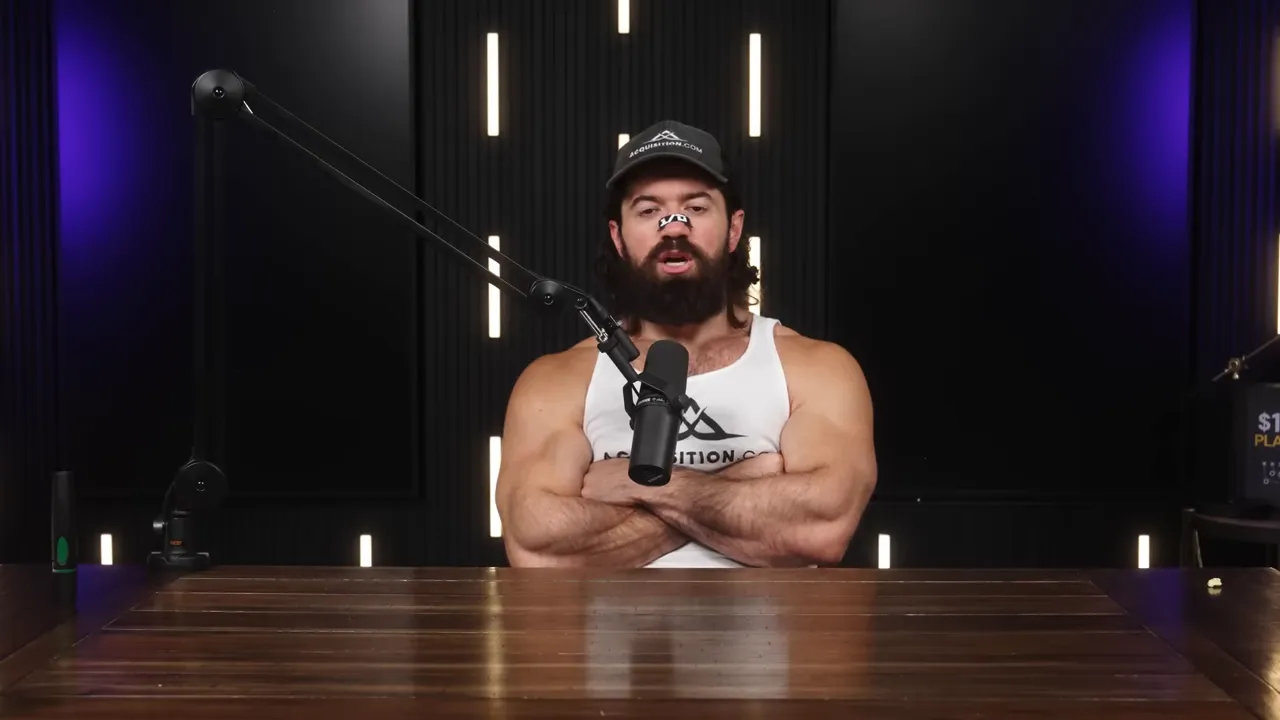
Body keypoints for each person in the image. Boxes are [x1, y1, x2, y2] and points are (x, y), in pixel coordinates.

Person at [495, 120, 876, 568]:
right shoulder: (557, 380)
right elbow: (538, 548)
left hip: (773, 640)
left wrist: (641, 484)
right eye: (648, 210)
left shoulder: (816, 367)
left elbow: (821, 528)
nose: (673, 228)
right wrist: (749, 478)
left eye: (695, 208)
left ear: (734, 231)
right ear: (618, 236)